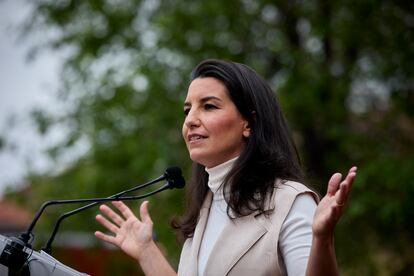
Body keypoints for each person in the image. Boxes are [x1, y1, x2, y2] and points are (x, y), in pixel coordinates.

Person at [94, 59, 357, 276]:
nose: (191, 120)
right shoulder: (205, 208)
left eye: (208, 106)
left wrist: (322, 240)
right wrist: (147, 251)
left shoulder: (291, 202)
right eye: (187, 110)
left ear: (248, 123)